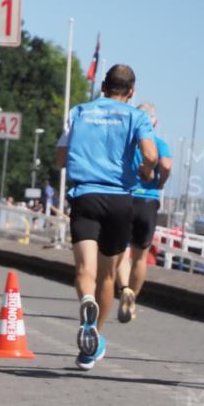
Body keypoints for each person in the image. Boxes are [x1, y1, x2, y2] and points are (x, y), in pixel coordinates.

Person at [55, 64, 158, 371]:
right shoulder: (137, 116)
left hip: (85, 196)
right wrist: (146, 170)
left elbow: (60, 158)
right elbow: (151, 156)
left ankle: (86, 300)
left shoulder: (79, 112)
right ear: (132, 91)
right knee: (108, 275)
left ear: (103, 85)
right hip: (119, 200)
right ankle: (94, 337)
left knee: (84, 269)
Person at [116, 102, 173, 323]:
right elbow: (166, 165)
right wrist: (160, 183)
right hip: (148, 203)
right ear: (154, 122)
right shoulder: (159, 143)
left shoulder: (127, 142)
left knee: (121, 252)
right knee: (140, 257)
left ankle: (125, 290)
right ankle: (133, 300)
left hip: (126, 197)